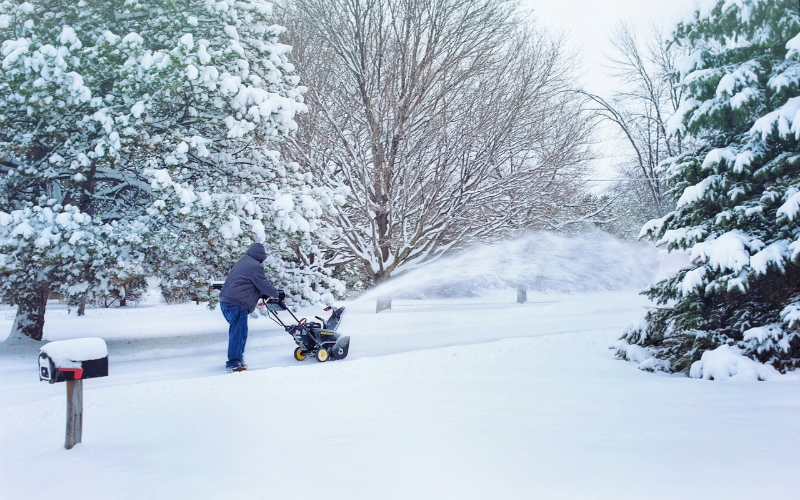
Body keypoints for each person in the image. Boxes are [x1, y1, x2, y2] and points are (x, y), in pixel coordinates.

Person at [219, 243, 284, 372]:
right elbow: (263, 284)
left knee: (238, 333)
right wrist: (278, 293)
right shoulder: (254, 266)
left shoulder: (243, 262)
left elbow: (246, 283)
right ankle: (234, 364)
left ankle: (237, 360)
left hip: (226, 302)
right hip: (236, 304)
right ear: (261, 256)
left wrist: (262, 294)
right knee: (238, 334)